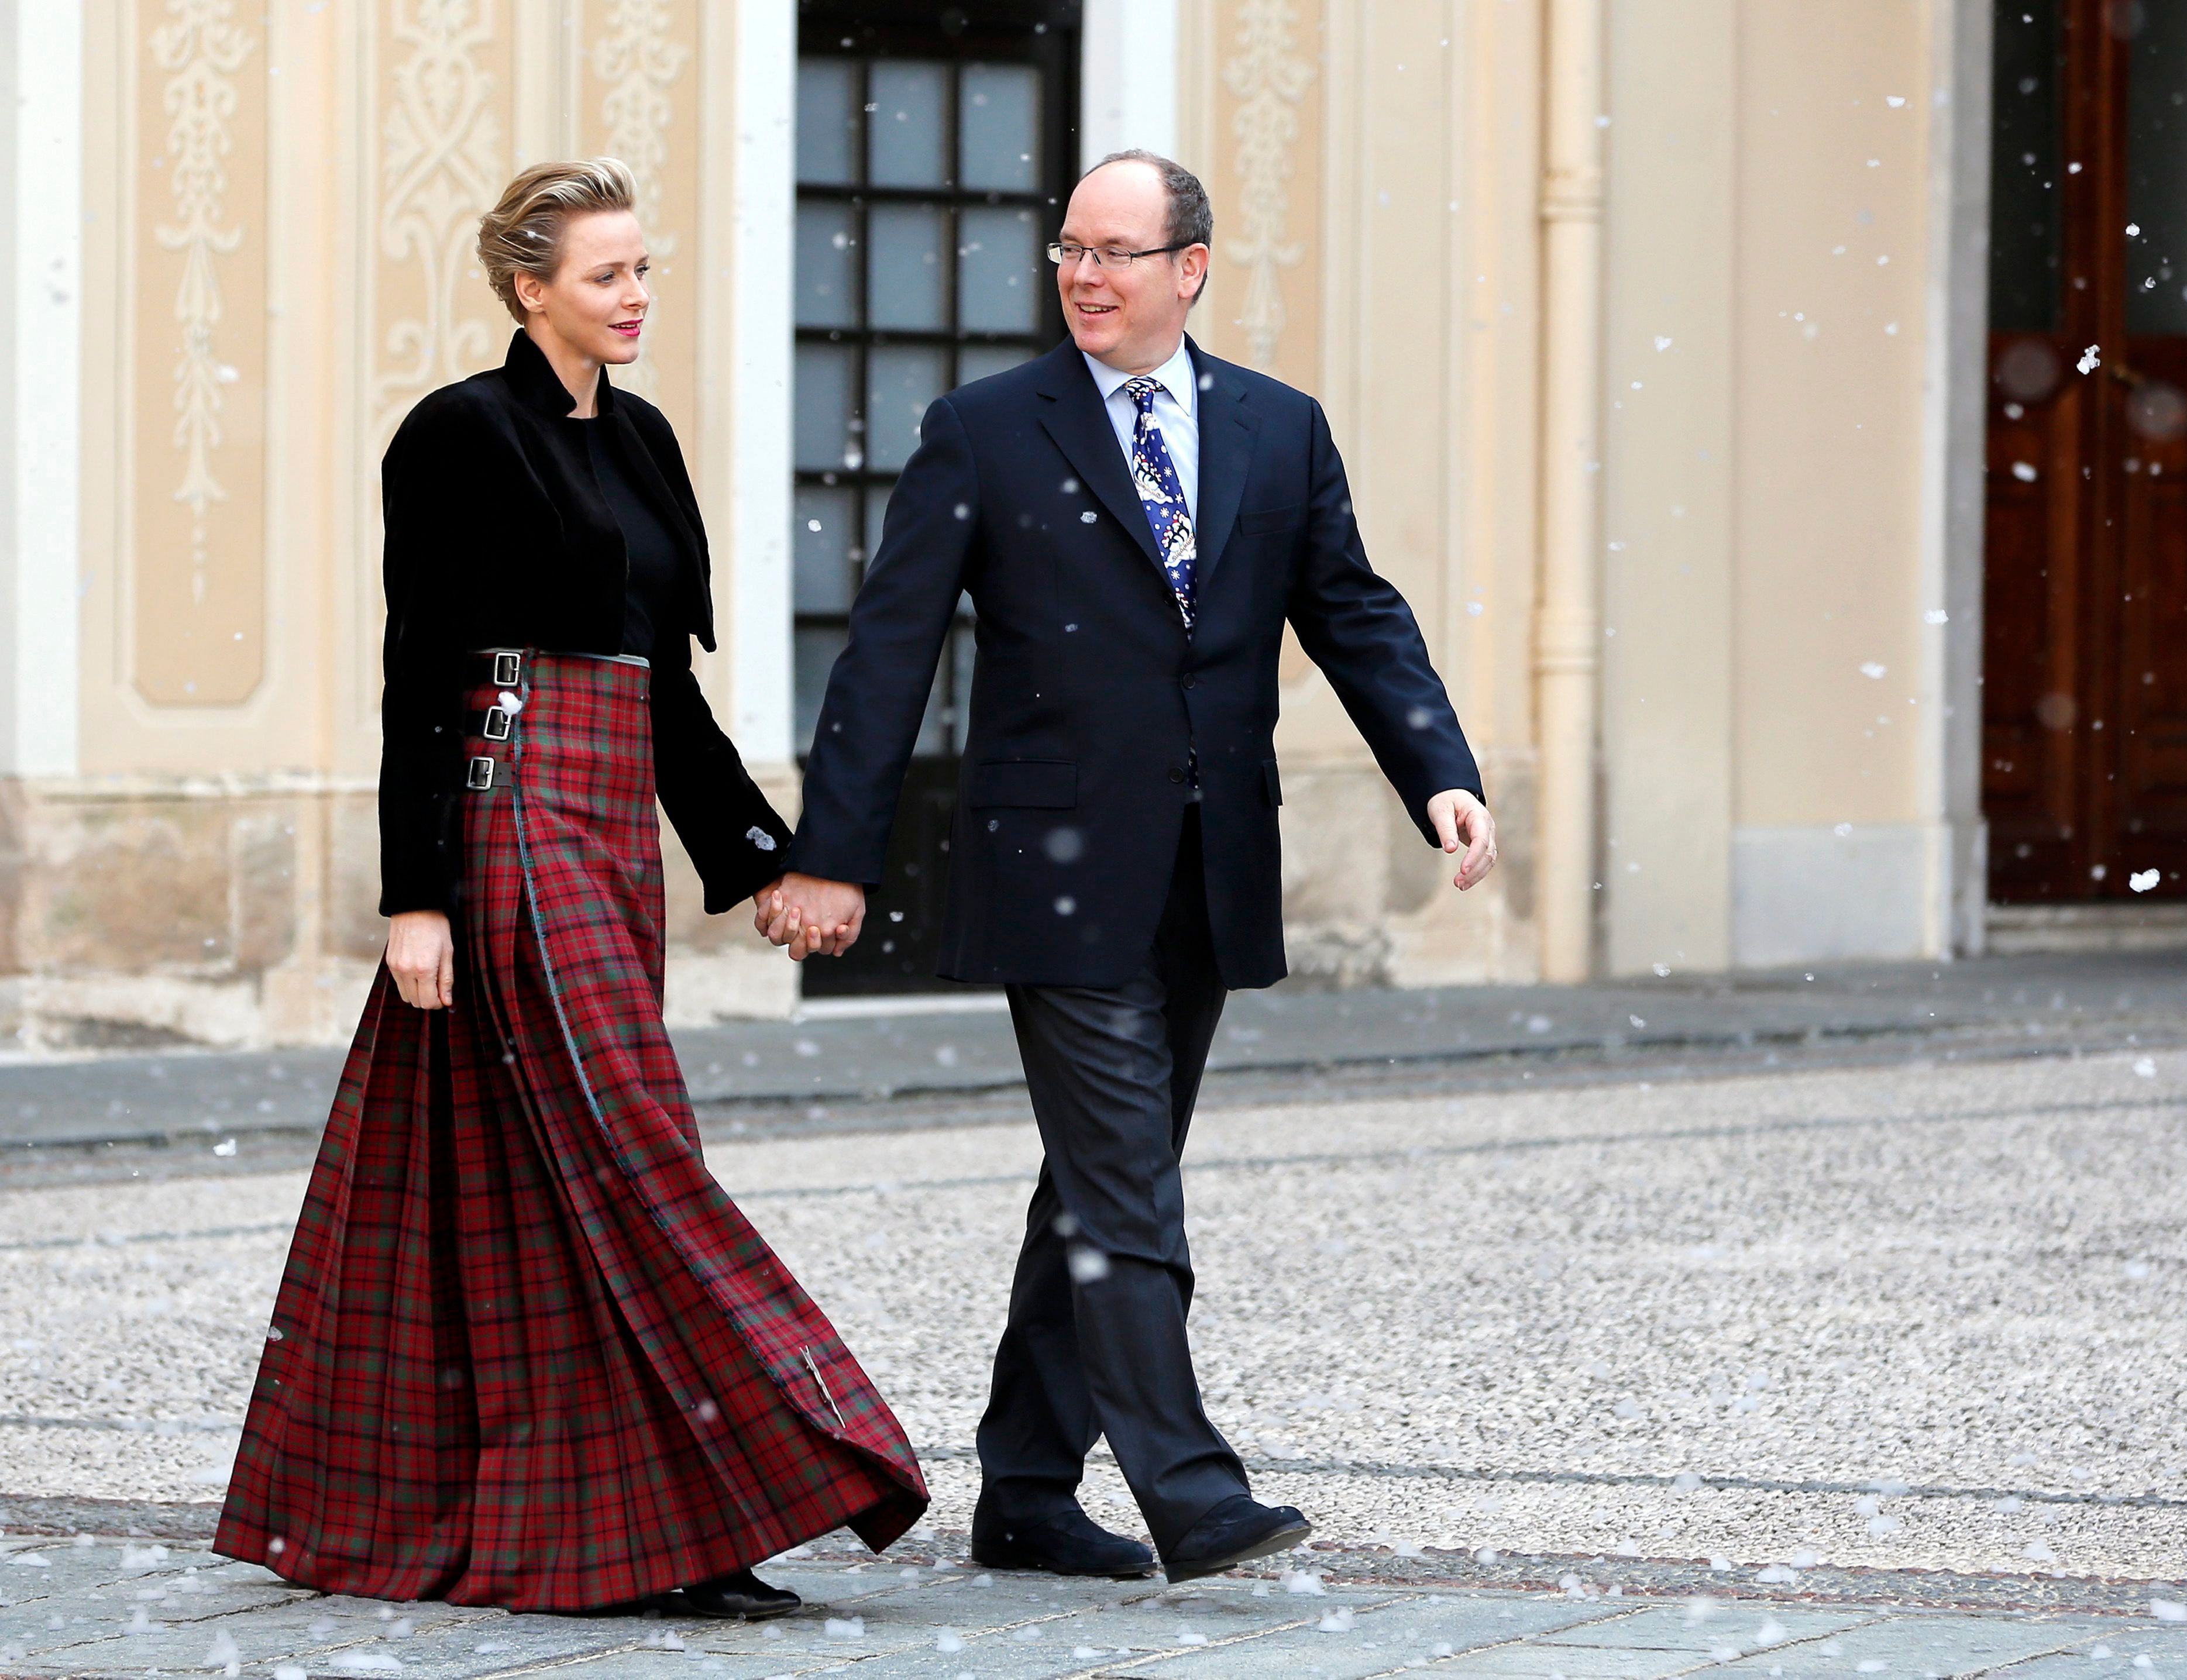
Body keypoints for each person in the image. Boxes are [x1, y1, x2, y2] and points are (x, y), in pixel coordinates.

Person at [762, 150, 1497, 1583]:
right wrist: (833, 853)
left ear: (1191, 267)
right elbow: (888, 651)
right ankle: (1190, 1486)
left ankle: (1026, 1490)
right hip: (1050, 865)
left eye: (1114, 252)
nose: (1082, 276)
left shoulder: (1279, 431)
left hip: (1206, 868)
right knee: (1125, 1193)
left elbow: (1351, 611)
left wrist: (1440, 769)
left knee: (1101, 1182)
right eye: (1068, 251)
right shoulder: (983, 429)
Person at [213, 159, 927, 1619]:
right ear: (527, 286)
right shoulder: (459, 433)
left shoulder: (648, 438)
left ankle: (651, 1522)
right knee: (629, 1146)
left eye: (644, 271)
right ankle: (775, 1451)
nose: (635, 297)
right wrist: (415, 894)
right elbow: (423, 668)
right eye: (606, 275)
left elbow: (663, 689)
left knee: (546, 1175)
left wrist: (759, 854)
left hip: (611, 828)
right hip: (510, 808)